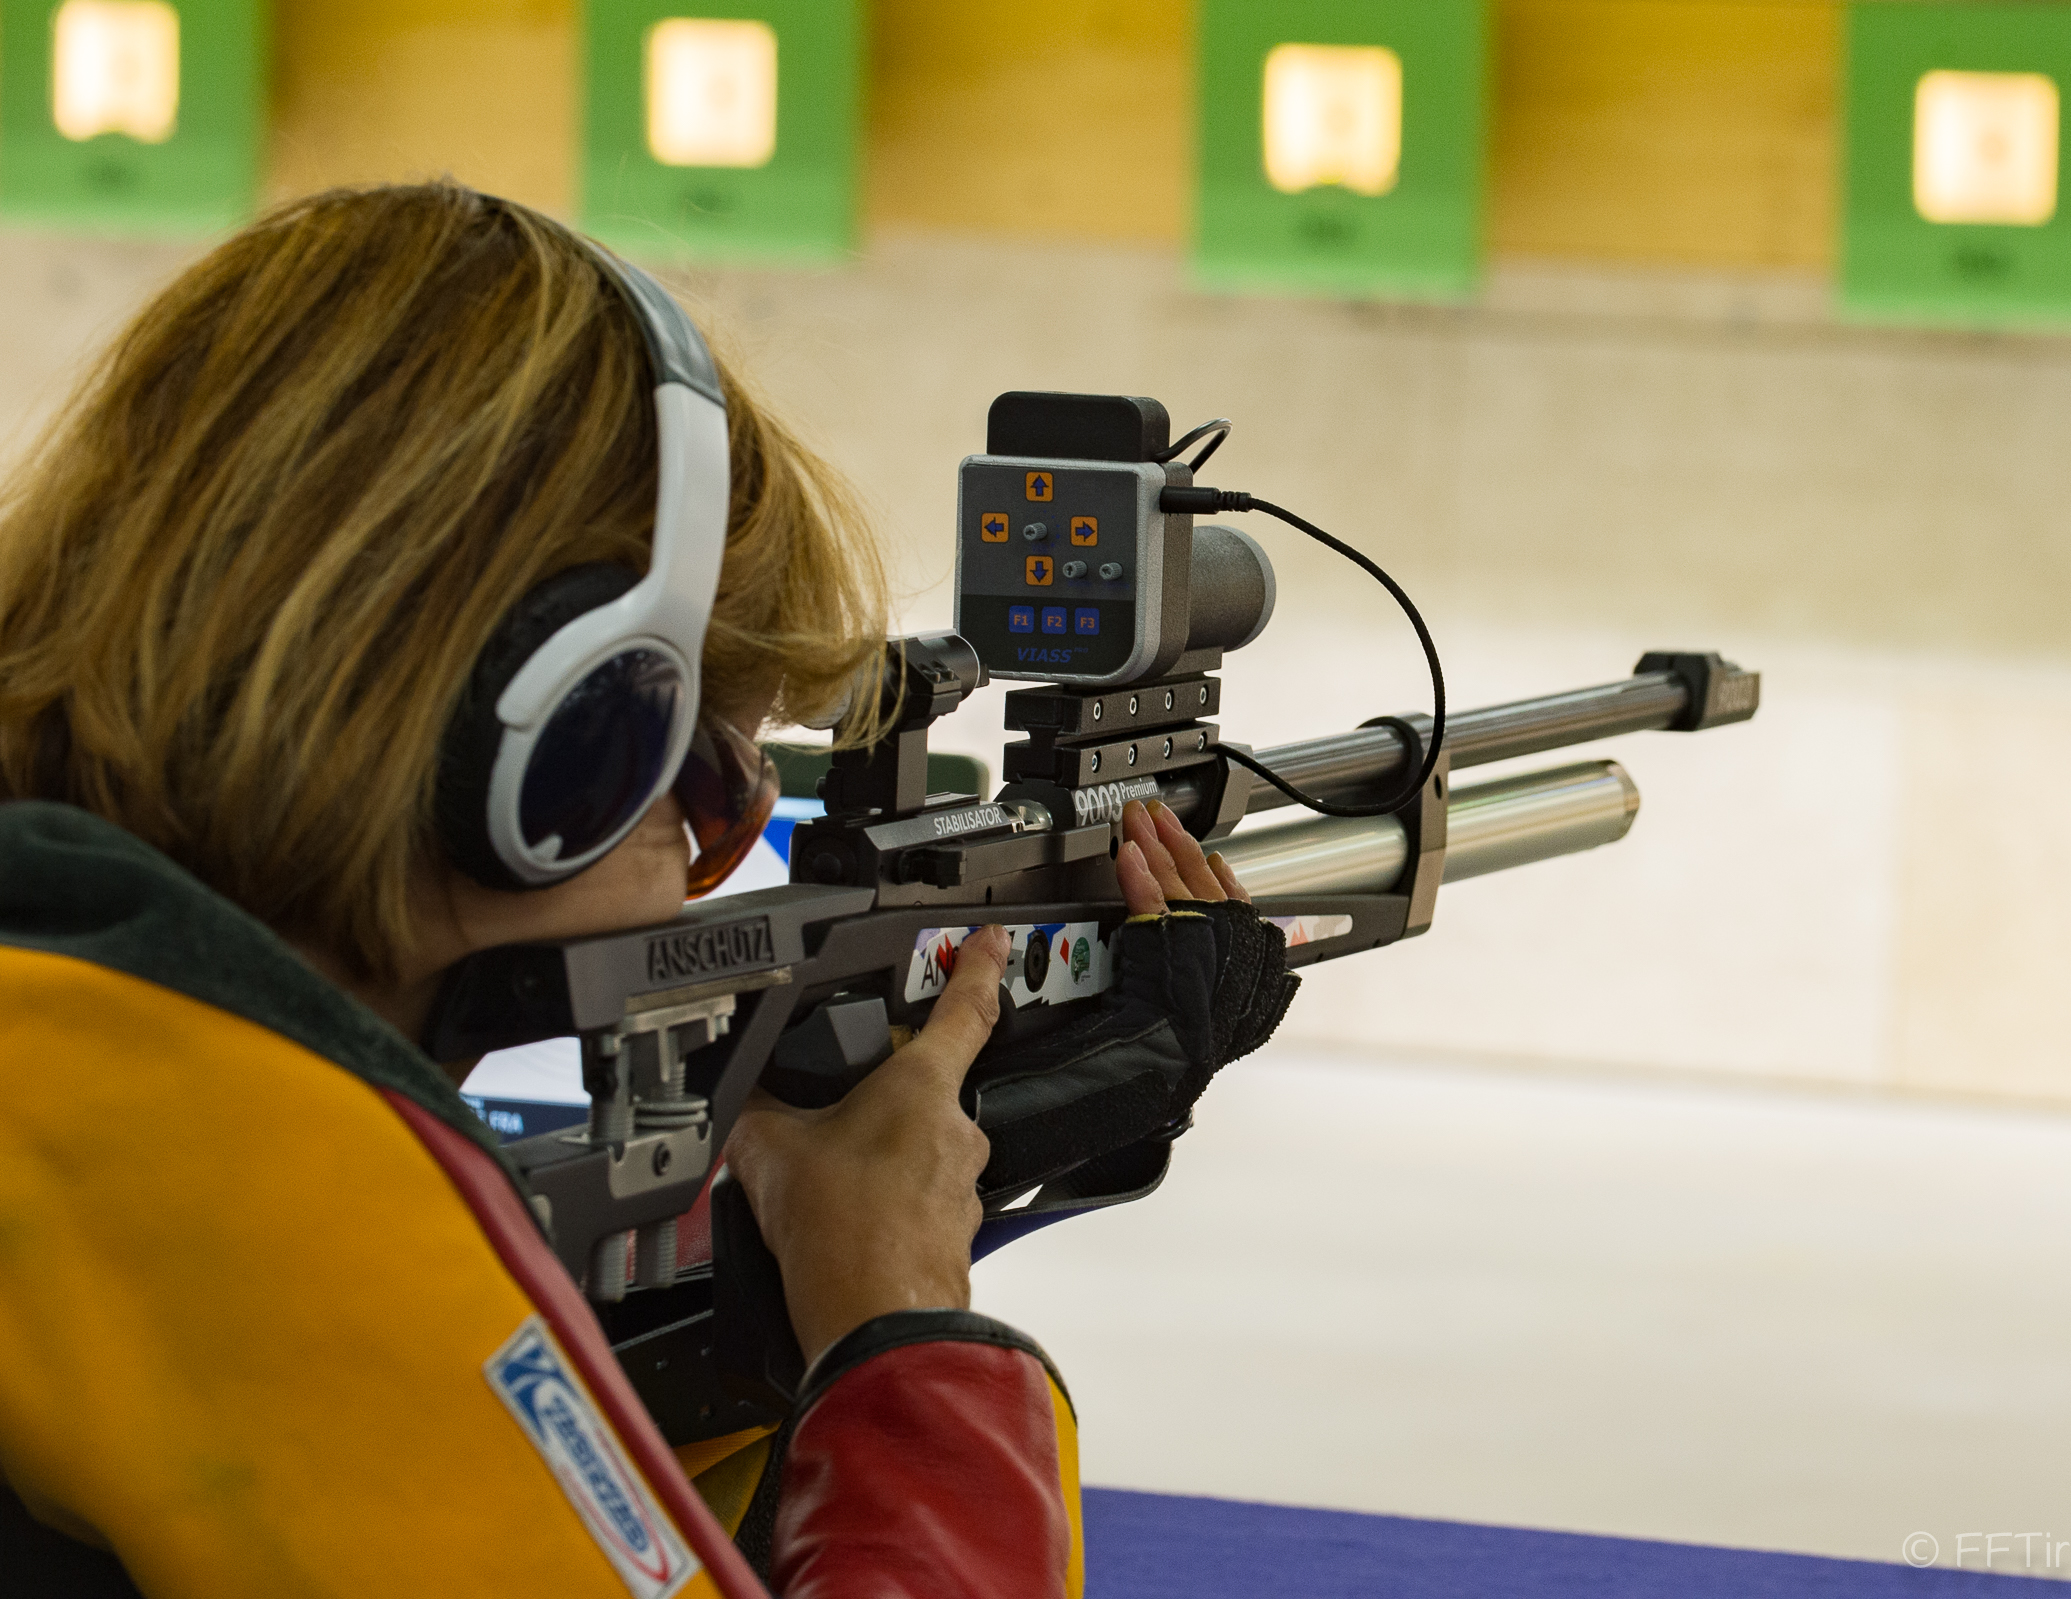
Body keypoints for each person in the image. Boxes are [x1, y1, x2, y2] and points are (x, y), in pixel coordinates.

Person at [0, 183, 1261, 1598]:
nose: (702, 878)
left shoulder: (79, 1040)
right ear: (550, 748)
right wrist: (900, 1330)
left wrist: (747, 1339)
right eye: (715, 793)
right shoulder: (248, 1179)